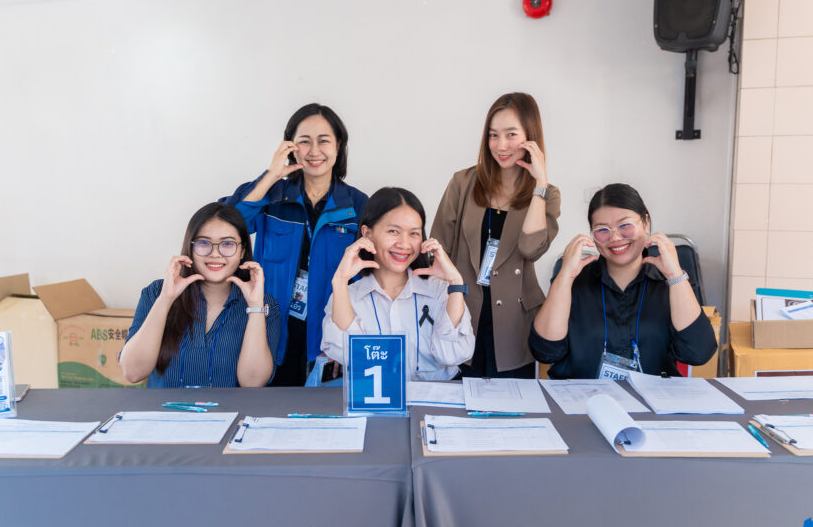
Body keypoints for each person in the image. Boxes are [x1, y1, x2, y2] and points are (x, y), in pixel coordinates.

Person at [219, 104, 368, 385]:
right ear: (290, 147)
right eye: (305, 141)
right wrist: (271, 175)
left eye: (324, 141)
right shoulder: (271, 195)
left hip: (330, 336)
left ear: (338, 146)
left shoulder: (357, 206)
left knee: (323, 410)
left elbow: (368, 277)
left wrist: (348, 336)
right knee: (270, 406)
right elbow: (226, 228)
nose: (314, 151)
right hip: (272, 330)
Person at [431, 92, 560, 378]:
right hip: (463, 313)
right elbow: (439, 248)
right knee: (459, 398)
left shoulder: (547, 195)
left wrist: (539, 184)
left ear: (530, 136)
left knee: (511, 402)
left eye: (511, 134)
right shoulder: (463, 182)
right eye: (493, 135)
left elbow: (531, 248)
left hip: (514, 323)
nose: (501, 145)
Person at [529, 183, 716, 380]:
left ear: (645, 223)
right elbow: (545, 351)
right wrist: (564, 278)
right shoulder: (574, 283)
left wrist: (675, 275)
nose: (615, 237)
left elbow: (699, 353)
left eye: (625, 225)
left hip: (650, 398)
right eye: (602, 229)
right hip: (582, 398)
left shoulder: (670, 283)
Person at [120, 203, 281, 388]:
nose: (215, 254)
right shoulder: (156, 292)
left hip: (230, 408)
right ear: (190, 248)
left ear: (242, 251)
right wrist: (166, 299)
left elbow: (253, 382)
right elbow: (133, 373)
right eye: (203, 243)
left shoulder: (265, 305)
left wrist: (255, 306)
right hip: (165, 408)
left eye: (228, 244)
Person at [322, 187, 474, 381]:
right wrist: (340, 280)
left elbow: (453, 355)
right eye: (393, 231)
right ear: (367, 234)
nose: (404, 244)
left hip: (436, 398)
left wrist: (456, 282)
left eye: (414, 233)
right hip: (377, 399)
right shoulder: (348, 295)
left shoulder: (441, 290)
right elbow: (348, 354)